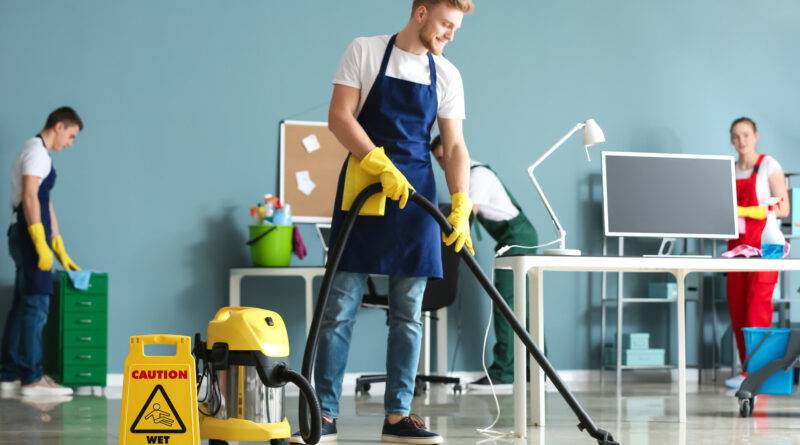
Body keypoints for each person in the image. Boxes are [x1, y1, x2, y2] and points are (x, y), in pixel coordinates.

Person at [292, 1, 474, 443]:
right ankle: (325, 413)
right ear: (421, 13)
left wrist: (461, 202)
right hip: (365, 190)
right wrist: (376, 161)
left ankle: (398, 416)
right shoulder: (366, 51)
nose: (450, 33)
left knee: (408, 314)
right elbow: (339, 117)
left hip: (417, 200)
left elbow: (454, 147)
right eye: (446, 24)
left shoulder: (447, 75)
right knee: (338, 311)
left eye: (456, 27)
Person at [430, 135, 539, 389]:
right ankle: (534, 371)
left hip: (517, 237)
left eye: (445, 156)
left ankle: (504, 372)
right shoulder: (471, 175)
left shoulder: (476, 176)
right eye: (438, 160)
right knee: (523, 304)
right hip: (512, 237)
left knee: (506, 304)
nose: (443, 163)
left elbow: (467, 215)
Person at [1, 107, 83, 397]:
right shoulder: (36, 151)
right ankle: (33, 379)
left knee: (23, 306)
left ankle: (8, 374)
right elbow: (29, 195)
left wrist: (58, 243)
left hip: (28, 235)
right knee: (36, 307)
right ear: (59, 126)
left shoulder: (39, 153)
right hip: (28, 236)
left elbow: (45, 202)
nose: (70, 143)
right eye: (71, 136)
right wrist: (39, 241)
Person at [725, 116, 790, 389]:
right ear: (731, 140)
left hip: (765, 247)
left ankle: (758, 374)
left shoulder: (768, 165)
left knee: (756, 310)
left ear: (756, 136)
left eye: (746, 135)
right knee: (738, 311)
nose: (741, 141)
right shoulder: (728, 170)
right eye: (736, 136)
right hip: (735, 250)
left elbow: (784, 209)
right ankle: (746, 372)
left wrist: (750, 210)